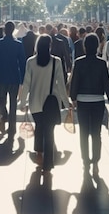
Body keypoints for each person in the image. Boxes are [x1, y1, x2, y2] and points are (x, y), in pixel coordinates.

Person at [20, 34, 71, 173]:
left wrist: (22, 102)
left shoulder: (30, 61)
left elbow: (26, 83)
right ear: (50, 46)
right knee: (49, 132)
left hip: (35, 102)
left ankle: (39, 155)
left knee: (39, 127)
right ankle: (48, 163)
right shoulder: (56, 61)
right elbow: (61, 84)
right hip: (51, 102)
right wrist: (67, 103)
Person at [69, 33, 109, 174]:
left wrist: (73, 98)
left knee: (83, 133)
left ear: (84, 46)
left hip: (82, 101)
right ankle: (95, 161)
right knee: (96, 133)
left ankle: (86, 161)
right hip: (98, 101)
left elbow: (74, 82)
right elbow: (107, 83)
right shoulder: (101, 63)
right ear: (97, 46)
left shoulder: (78, 62)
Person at [0, 21, 27, 139]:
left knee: (1, 101)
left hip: (2, 76)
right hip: (15, 76)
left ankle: (3, 115)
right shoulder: (18, 44)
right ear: (13, 29)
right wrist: (24, 78)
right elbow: (22, 62)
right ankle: (12, 128)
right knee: (13, 103)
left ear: (4, 30)